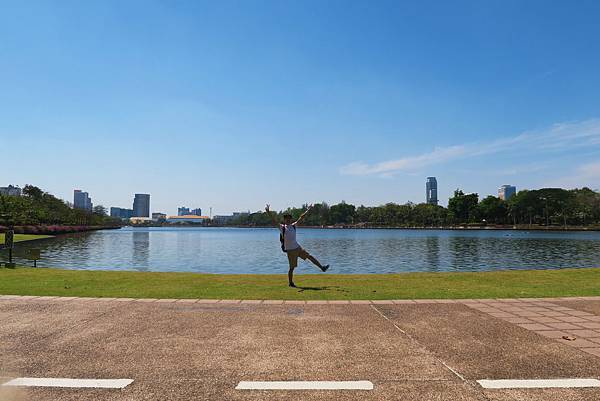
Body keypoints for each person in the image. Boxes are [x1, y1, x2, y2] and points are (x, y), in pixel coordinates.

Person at [265, 204, 330, 287]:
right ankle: (290, 283)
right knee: (292, 268)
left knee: (309, 256)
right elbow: (273, 220)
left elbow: (301, 217)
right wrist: (268, 212)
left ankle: (322, 268)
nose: (288, 220)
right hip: (290, 251)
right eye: (286, 218)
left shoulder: (293, 226)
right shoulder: (282, 228)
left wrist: (308, 210)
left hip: (298, 248)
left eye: (289, 218)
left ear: (291, 219)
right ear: (284, 220)